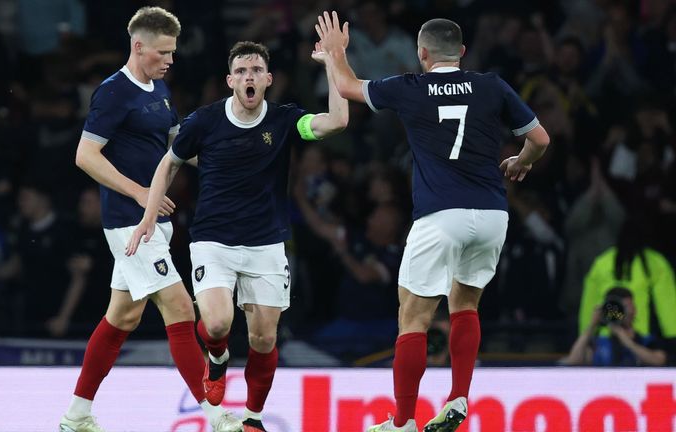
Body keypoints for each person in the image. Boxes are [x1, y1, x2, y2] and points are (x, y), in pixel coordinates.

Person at [316, 13, 551, 432]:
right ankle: (459, 396)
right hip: (493, 215)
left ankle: (403, 421)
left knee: (413, 317)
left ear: (421, 53)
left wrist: (336, 52)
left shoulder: (410, 88)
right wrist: (521, 162)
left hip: (441, 217)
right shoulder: (492, 85)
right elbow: (540, 139)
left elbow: (348, 86)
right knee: (465, 306)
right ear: (461, 53)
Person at [126, 40, 348, 432]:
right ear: (231, 80)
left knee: (263, 339)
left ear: (268, 80)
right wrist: (147, 217)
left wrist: (333, 63)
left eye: (256, 71)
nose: (249, 77)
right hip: (213, 240)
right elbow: (168, 165)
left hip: (266, 243)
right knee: (216, 324)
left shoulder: (283, 120)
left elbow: (337, 122)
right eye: (242, 71)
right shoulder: (204, 122)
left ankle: (254, 418)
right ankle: (217, 360)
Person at [61, 7, 242, 432]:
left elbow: (176, 143)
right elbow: (85, 155)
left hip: (153, 221)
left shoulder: (158, 87)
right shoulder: (112, 93)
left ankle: (77, 415)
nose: (171, 60)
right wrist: (142, 193)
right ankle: (215, 415)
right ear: (138, 46)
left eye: (173, 52)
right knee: (179, 306)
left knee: (121, 317)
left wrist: (222, 162)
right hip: (128, 220)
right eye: (163, 52)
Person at [563, 287, 668, 366]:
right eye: (624, 307)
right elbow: (573, 361)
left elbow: (659, 361)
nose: (629, 311)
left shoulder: (647, 340)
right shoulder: (599, 344)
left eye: (630, 306)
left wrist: (627, 341)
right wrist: (592, 325)